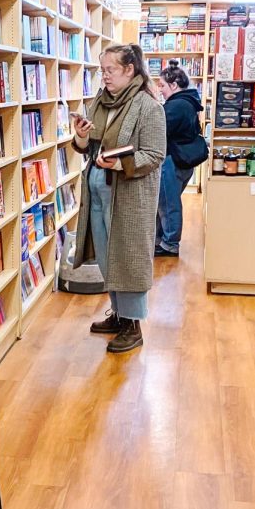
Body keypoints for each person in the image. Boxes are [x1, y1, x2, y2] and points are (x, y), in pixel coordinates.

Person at [72, 44, 166, 354]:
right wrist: (82, 136)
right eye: (102, 70)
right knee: (106, 254)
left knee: (129, 258)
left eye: (110, 70)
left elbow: (154, 155)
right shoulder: (100, 101)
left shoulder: (148, 106)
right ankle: (119, 314)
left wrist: (121, 164)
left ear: (129, 70)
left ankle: (133, 326)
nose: (105, 76)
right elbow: (87, 146)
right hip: (98, 188)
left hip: (127, 193)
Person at [155, 59, 207, 257]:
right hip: (183, 160)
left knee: (168, 204)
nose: (160, 90)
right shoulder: (189, 102)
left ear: (174, 85)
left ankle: (169, 243)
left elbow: (158, 131)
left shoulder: (175, 106)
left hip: (172, 160)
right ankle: (162, 240)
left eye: (162, 86)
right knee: (168, 202)